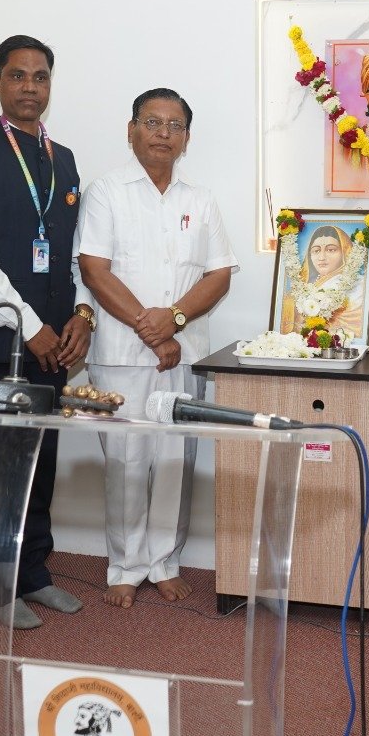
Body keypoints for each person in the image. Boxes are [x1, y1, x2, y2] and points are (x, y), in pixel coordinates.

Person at [0, 35, 91, 629]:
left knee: (41, 462)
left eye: (40, 76)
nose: (29, 87)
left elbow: (74, 252)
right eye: (17, 75)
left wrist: (81, 315)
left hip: (50, 345)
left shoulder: (65, 159)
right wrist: (30, 326)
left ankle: (33, 573)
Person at [78, 88, 237, 609]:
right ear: (131, 130)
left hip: (183, 351)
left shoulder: (200, 199)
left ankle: (164, 562)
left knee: (174, 459)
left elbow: (218, 275)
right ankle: (125, 566)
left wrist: (176, 321)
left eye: (174, 126)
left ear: (187, 138)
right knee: (126, 460)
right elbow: (94, 270)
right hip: (121, 350)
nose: (163, 134)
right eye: (152, 122)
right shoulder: (106, 191)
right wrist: (154, 331)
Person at [278, 224, 366, 338]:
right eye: (316, 251)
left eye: (331, 250)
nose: (322, 257)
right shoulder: (305, 285)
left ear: (345, 251)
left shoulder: (359, 285)